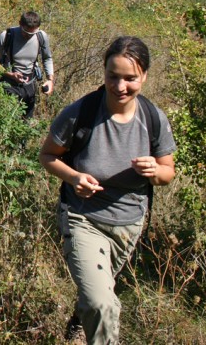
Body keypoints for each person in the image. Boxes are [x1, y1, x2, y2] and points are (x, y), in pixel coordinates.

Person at [39, 36, 176, 344]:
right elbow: (47, 156)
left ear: (145, 77)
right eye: (113, 76)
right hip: (82, 217)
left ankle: (80, 316)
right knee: (102, 302)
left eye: (130, 78)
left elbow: (169, 172)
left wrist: (156, 172)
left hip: (128, 224)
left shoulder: (153, 119)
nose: (120, 86)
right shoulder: (80, 113)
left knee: (97, 291)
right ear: (103, 73)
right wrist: (74, 177)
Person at [0, 11, 54, 118]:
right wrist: (10, 74)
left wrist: (50, 80)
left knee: (25, 122)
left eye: (32, 33)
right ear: (20, 24)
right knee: (6, 119)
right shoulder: (7, 35)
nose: (29, 36)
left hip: (29, 85)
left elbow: (47, 58)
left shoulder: (41, 36)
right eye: (26, 33)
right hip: (8, 84)